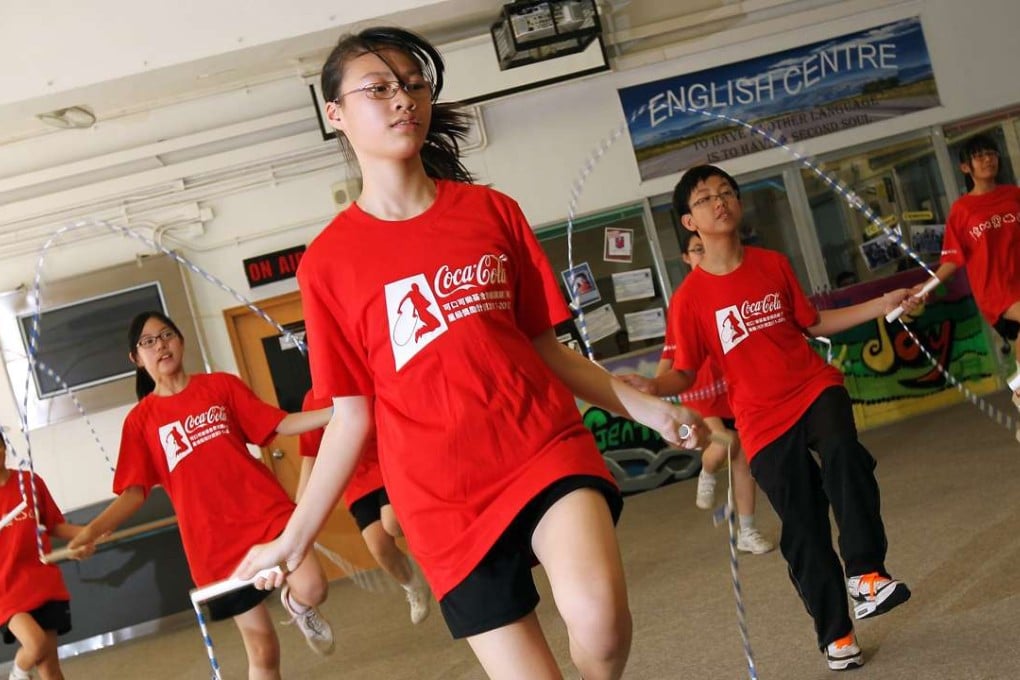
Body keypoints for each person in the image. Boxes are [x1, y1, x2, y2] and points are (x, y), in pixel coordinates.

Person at [234, 27, 706, 680]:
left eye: (413, 84)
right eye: (379, 88)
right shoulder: (327, 265)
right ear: (335, 115)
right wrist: (294, 538)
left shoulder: (491, 213)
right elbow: (350, 417)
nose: (402, 99)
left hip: (539, 445)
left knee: (600, 627)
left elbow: (550, 353)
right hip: (440, 497)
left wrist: (649, 411)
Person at [623, 165, 916, 672]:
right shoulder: (690, 299)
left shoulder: (773, 264)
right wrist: (651, 386)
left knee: (845, 453)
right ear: (689, 222)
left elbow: (815, 322)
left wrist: (880, 303)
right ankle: (836, 632)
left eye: (727, 192)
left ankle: (866, 574)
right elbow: (683, 372)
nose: (720, 201)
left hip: (811, 386)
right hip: (760, 419)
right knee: (803, 529)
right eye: (706, 198)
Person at [68, 311, 336, 680]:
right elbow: (133, 493)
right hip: (214, 543)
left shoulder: (221, 386)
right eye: (148, 341)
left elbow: (278, 424)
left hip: (266, 513)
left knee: (313, 587)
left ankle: (296, 604)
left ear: (181, 340)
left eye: (166, 334)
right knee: (263, 649)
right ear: (136, 358)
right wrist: (90, 531)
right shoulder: (140, 422)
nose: (160, 344)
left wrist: (337, 414)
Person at [653, 231, 773, 555]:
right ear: (685, 257)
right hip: (699, 394)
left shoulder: (727, 285)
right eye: (695, 250)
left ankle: (747, 530)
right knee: (726, 442)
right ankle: (706, 472)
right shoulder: (684, 299)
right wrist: (654, 390)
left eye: (705, 249)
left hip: (731, 391)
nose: (702, 255)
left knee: (744, 459)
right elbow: (671, 352)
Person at [297, 389, 430, 624]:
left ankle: (437, 563)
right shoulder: (312, 400)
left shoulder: (366, 380)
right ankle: (412, 585)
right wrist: (299, 508)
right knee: (378, 545)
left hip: (390, 461)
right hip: (357, 480)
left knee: (392, 522)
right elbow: (311, 454)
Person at [911, 133, 1020, 410]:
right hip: (996, 293)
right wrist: (923, 289)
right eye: (980, 155)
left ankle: (1019, 392)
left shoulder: (1013, 195)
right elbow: (951, 260)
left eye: (992, 154)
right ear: (965, 167)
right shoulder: (962, 211)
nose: (988, 160)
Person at [1, 434, 93, 680]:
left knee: (49, 668)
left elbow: (54, 526)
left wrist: (89, 532)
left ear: (3, 447)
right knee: (35, 643)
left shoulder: (29, 482)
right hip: (6, 590)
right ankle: (17, 676)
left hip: (43, 584)